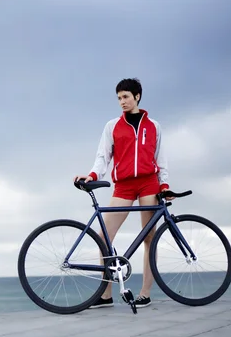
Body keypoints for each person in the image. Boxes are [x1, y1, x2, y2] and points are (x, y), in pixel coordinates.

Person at [74, 77, 173, 309]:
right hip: (124, 186)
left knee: (150, 237)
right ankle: (105, 294)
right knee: (103, 236)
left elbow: (161, 159)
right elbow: (103, 156)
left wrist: (164, 185)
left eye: (126, 96)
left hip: (149, 183)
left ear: (137, 97)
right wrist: (94, 175)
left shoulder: (154, 126)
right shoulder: (112, 126)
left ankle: (145, 293)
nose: (122, 101)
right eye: (119, 98)